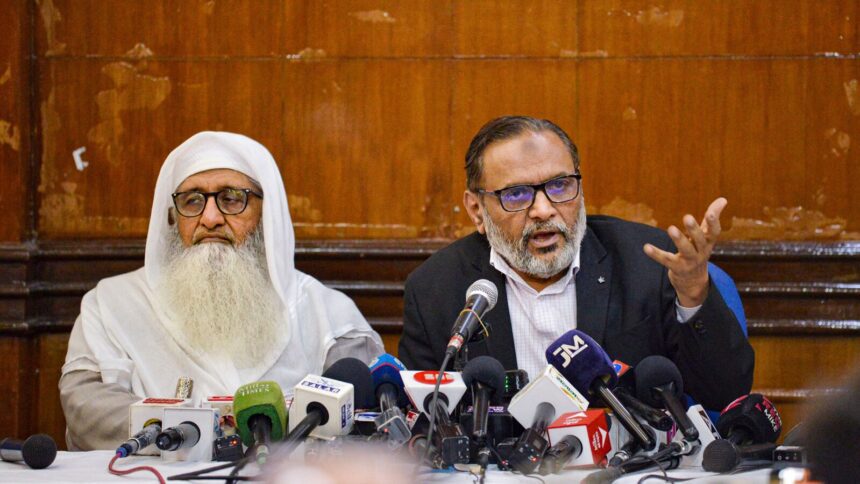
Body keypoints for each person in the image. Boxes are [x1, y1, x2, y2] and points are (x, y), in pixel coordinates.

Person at [398, 116, 753, 411]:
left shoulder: (647, 262)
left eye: (560, 185)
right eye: (516, 194)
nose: (543, 209)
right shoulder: (435, 289)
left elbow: (725, 395)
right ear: (477, 209)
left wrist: (693, 294)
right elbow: (425, 423)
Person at [59, 132, 384, 450]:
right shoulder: (112, 304)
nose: (210, 218)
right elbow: (86, 409)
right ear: (173, 217)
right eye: (192, 201)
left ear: (265, 214)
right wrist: (197, 435)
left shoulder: (328, 313)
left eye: (231, 199)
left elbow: (358, 416)